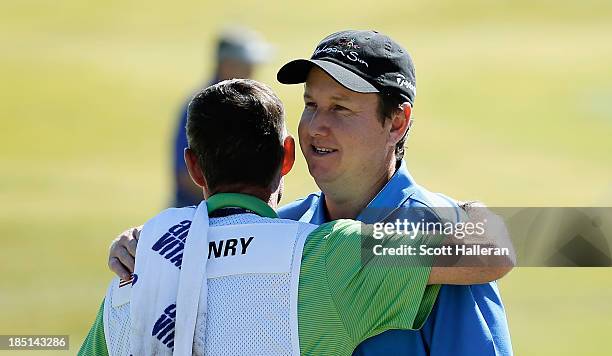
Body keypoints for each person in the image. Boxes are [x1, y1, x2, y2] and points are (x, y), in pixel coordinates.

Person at [109, 30, 513, 355]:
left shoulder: (452, 238)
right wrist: (147, 243)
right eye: (310, 104)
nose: (316, 127)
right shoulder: (281, 230)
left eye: (341, 108)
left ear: (397, 122)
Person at [173, 26, 272, 206]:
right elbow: (185, 175)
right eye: (247, 65)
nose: (253, 71)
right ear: (227, 64)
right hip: (197, 219)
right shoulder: (200, 108)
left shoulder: (245, 104)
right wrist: (236, 202)